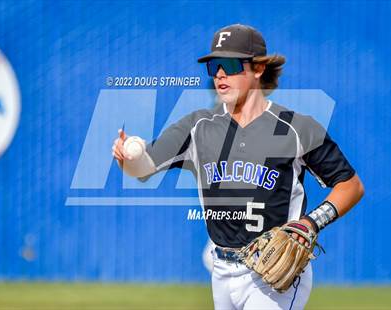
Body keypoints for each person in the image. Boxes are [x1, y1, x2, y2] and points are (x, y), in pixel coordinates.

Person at [112, 24, 364, 310]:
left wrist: (310, 223)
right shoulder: (198, 127)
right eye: (214, 66)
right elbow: (144, 168)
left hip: (273, 276)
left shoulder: (296, 128)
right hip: (221, 272)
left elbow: (351, 185)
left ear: (258, 69)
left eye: (230, 64)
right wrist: (128, 159)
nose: (220, 73)